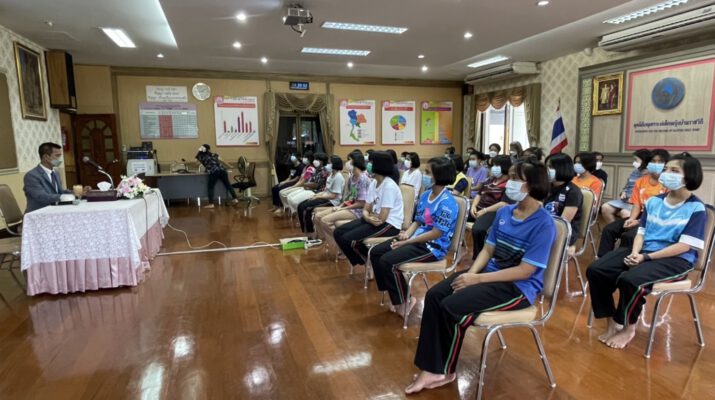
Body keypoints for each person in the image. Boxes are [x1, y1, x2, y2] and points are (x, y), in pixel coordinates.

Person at [406, 158, 555, 394]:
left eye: (515, 179)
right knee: (435, 295)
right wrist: (471, 274)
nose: (510, 183)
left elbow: (525, 271)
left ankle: (444, 370)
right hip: (489, 274)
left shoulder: (544, 224)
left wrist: (476, 280)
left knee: (452, 307)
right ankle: (432, 366)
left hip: (517, 287)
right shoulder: (505, 211)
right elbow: (488, 249)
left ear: (532, 184)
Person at [587, 153, 706, 349]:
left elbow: (684, 246)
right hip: (644, 250)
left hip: (676, 259)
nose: (666, 173)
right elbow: (641, 232)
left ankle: (628, 328)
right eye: (666, 169)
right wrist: (636, 252)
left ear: (689, 176)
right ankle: (611, 322)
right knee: (597, 270)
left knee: (631, 280)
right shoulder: (653, 202)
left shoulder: (696, 208)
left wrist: (645, 257)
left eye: (674, 170)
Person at [370, 157, 459, 317]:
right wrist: (406, 234)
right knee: (377, 252)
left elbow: (436, 233)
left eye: (428, 172)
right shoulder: (425, 195)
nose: (424, 175)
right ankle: (393, 293)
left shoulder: (448, 203)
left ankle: (406, 300)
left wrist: (407, 242)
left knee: (387, 261)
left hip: (432, 247)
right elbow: (418, 221)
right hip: (416, 240)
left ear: (438, 176)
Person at [333, 152, 403, 271]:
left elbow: (382, 218)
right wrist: (367, 217)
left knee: (348, 239)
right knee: (338, 232)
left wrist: (368, 217)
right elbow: (366, 208)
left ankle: (368, 263)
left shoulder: (389, 186)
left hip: (389, 225)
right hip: (372, 219)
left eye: (371, 162)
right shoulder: (374, 183)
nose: (368, 165)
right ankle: (367, 261)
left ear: (379, 165)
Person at [597, 149, 670, 257]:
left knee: (629, 236)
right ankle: (603, 259)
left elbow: (664, 211)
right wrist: (631, 219)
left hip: (656, 219)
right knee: (609, 229)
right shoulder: (640, 181)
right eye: (653, 161)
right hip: (641, 215)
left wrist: (638, 222)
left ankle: (624, 261)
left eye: (660, 162)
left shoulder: (668, 183)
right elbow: (637, 204)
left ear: (666, 164)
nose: (656, 164)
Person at [314, 153, 370, 244]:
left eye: (349, 160)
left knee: (324, 220)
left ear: (356, 162)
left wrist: (343, 208)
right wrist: (341, 206)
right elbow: (351, 197)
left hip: (358, 211)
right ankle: (329, 242)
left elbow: (361, 203)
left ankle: (338, 244)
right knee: (318, 216)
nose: (347, 163)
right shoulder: (352, 178)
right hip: (351, 207)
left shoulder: (363, 179)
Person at [470, 155, 513, 259]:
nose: (493, 168)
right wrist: (473, 206)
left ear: (504, 166)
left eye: (496, 165)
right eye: (493, 165)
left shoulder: (509, 184)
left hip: (493, 211)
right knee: (457, 215)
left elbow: (504, 203)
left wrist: (485, 210)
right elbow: (479, 194)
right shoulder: (490, 180)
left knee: (478, 229)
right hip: (478, 208)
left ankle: (479, 257)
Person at [297, 156, 345, 235]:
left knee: (306, 208)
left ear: (335, 164)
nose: (327, 165)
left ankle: (310, 233)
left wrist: (318, 196)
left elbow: (333, 196)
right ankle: (306, 232)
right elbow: (326, 190)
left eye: (329, 163)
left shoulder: (338, 177)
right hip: (325, 197)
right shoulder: (331, 175)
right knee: (300, 205)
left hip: (332, 201)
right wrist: (316, 195)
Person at [601, 149, 651, 223]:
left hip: (637, 203)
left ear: (644, 161)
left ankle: (625, 229)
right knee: (605, 207)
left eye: (636, 160)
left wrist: (633, 198)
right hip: (626, 200)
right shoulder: (635, 172)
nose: (634, 162)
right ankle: (614, 228)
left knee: (625, 213)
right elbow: (627, 186)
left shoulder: (650, 175)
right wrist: (623, 192)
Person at [544, 153, 582, 245]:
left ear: (562, 168)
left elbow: (563, 222)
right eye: (546, 166)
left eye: (551, 167)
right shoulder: (546, 186)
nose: (547, 170)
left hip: (562, 232)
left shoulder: (573, 191)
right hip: (544, 227)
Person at [24, 142, 73, 213]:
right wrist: (62, 197)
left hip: (55, 210)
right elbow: (41, 196)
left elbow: (59, 192)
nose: (60, 159)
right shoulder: (32, 176)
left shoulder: (55, 173)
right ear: (46, 157)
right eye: (57, 156)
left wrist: (76, 192)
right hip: (38, 213)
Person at [195, 144, 238, 208]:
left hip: (214, 172)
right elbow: (222, 160)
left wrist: (198, 155)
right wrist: (230, 166)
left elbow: (196, 163)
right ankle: (235, 199)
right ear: (209, 149)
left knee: (210, 187)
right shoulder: (214, 154)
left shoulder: (201, 156)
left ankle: (211, 204)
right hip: (222, 170)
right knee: (228, 185)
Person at [276, 151, 315, 215]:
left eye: (305, 157)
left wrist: (293, 186)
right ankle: (288, 208)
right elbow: (300, 179)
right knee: (281, 192)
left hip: (305, 187)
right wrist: (293, 186)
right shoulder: (305, 167)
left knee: (288, 196)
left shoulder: (311, 168)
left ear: (310, 158)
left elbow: (303, 181)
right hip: (301, 186)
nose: (303, 158)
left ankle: (293, 211)